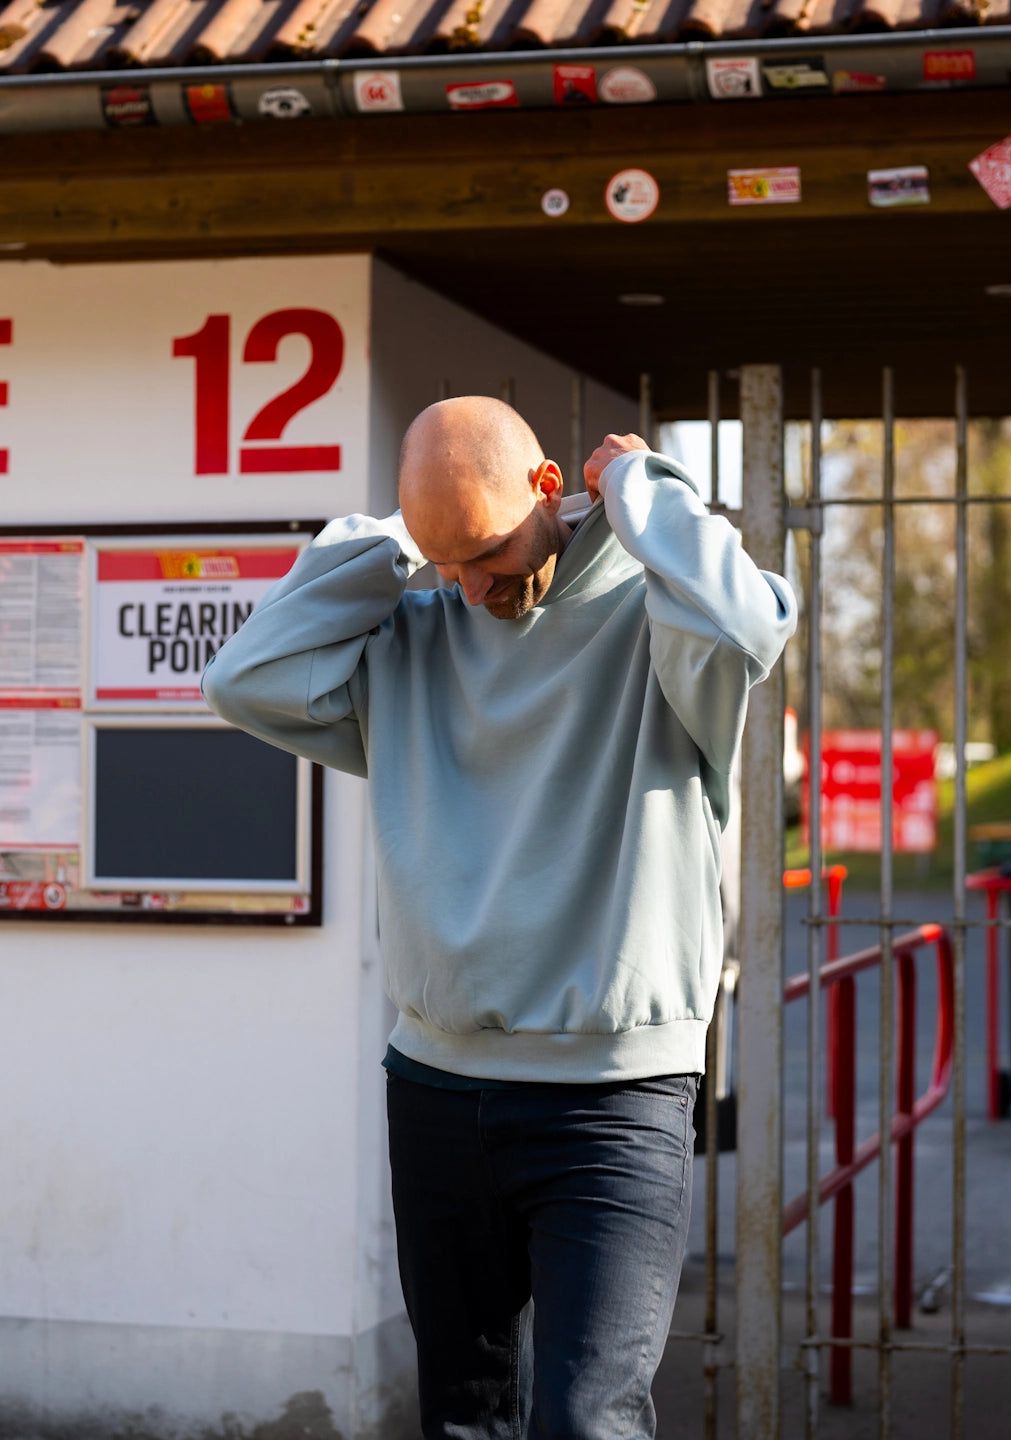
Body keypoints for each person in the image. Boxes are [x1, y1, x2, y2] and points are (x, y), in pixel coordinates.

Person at [202, 396, 797, 1439]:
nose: (470, 589)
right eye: (446, 565)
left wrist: (643, 488)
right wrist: (405, 540)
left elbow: (748, 619)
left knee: (586, 1421)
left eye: (481, 552)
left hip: (613, 1099)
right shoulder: (417, 636)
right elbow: (242, 681)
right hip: (437, 1089)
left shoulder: (665, 632)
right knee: (465, 1417)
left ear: (549, 489)